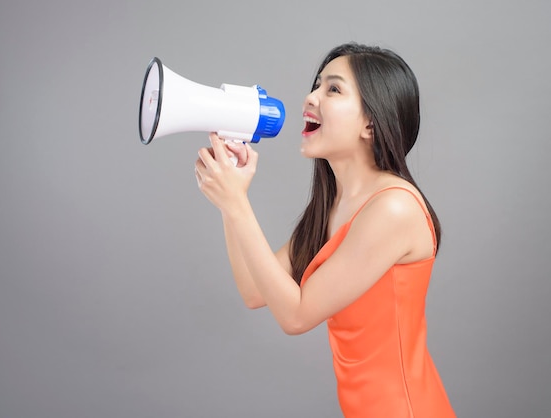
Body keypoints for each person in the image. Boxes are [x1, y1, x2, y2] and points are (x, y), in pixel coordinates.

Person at [194, 42, 456, 418]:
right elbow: (254, 291)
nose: (310, 97)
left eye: (332, 89)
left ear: (371, 122)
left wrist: (237, 205)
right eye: (316, 85)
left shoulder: (394, 207)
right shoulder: (334, 205)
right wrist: (230, 202)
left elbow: (296, 316)